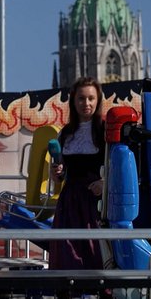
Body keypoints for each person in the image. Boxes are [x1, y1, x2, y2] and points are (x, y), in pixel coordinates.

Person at [48, 77, 107, 271]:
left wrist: (104, 183)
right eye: (81, 98)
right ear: (74, 101)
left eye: (91, 98)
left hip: (97, 203)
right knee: (67, 252)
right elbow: (60, 175)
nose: (86, 103)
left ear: (98, 100)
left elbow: (119, 166)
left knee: (96, 252)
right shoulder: (66, 133)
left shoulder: (105, 131)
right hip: (70, 201)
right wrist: (56, 172)